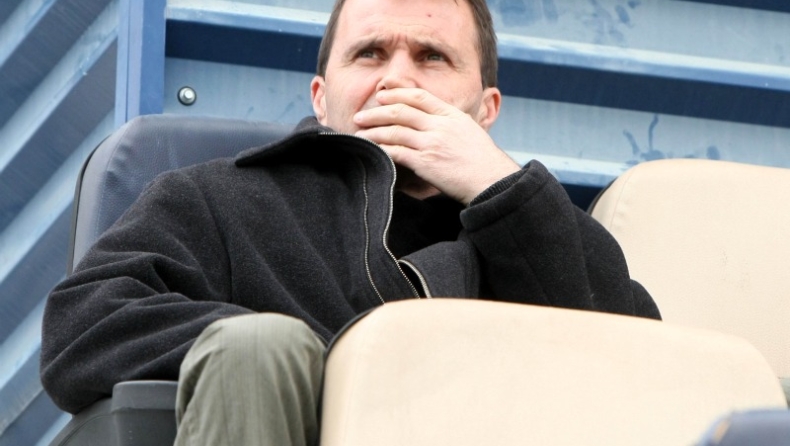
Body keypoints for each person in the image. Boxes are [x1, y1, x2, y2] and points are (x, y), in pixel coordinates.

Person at [40, 0, 661, 444]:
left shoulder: (543, 234)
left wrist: (500, 184)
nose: (397, 78)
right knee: (259, 348)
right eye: (369, 53)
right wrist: (323, 366)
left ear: (485, 108)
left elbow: (646, 376)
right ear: (321, 96)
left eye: (432, 56)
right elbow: (81, 326)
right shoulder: (215, 198)